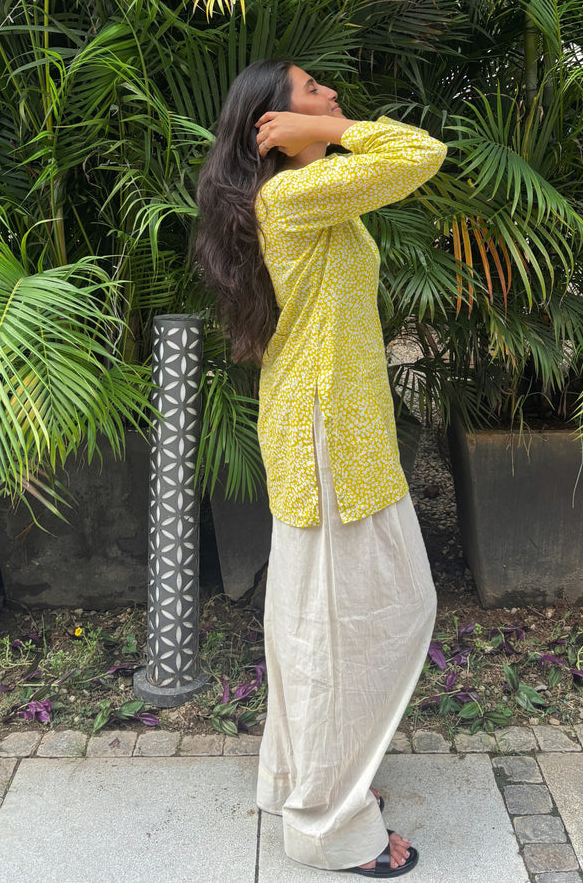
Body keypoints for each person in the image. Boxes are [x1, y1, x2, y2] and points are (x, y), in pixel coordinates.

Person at [195, 59, 446, 877]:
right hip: (325, 432)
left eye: (329, 93)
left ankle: (315, 780)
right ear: (272, 122)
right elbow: (421, 154)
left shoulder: (314, 192)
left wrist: (325, 135)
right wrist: (333, 135)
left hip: (345, 428)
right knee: (335, 632)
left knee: (338, 622)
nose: (334, 94)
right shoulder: (297, 195)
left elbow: (400, 161)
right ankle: (331, 825)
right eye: (312, 92)